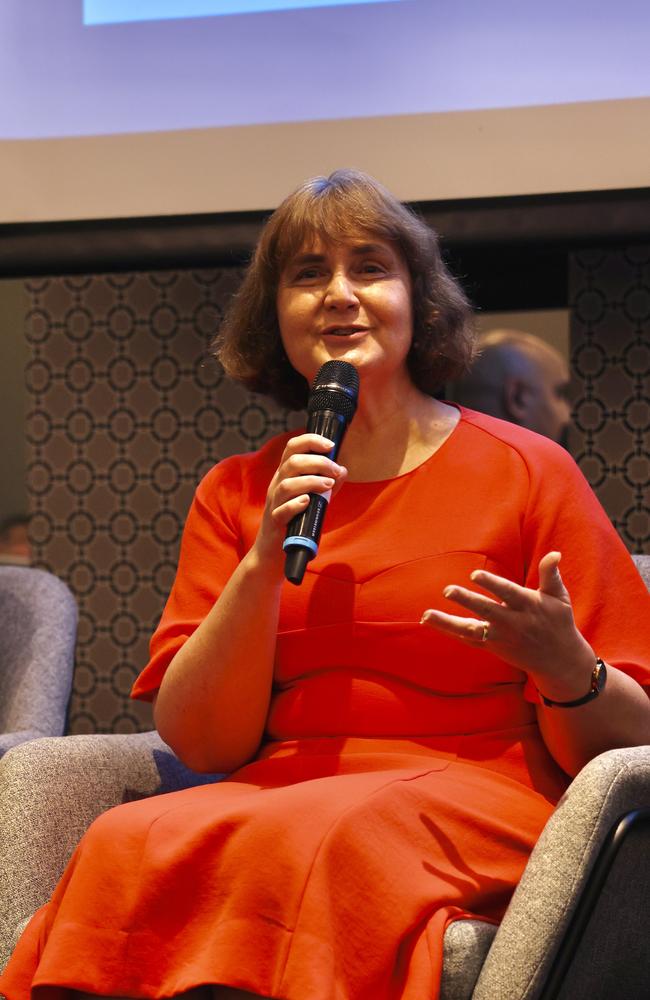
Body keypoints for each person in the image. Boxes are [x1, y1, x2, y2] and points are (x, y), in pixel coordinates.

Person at [2, 169, 649, 1000]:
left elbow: (630, 748)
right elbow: (203, 744)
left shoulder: (528, 471)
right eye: (308, 274)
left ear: (420, 301)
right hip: (285, 786)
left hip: (483, 787)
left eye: (370, 267)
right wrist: (263, 561)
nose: (339, 294)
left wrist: (567, 668)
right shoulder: (241, 492)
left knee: (332, 837)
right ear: (274, 315)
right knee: (126, 838)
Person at [452, 328, 571, 445]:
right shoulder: (556, 463)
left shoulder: (441, 458)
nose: (567, 415)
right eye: (559, 394)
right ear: (518, 397)